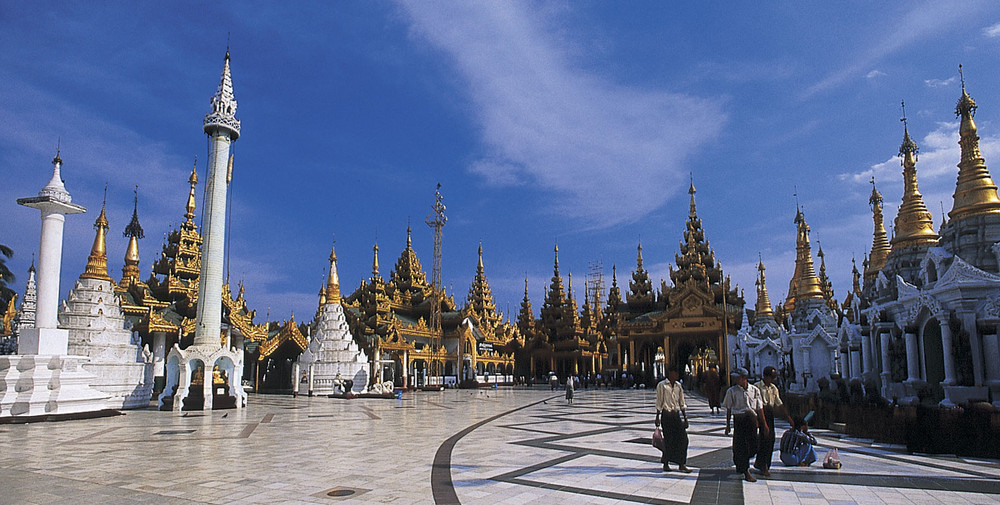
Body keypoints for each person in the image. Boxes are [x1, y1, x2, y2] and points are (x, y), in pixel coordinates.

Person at [723, 367, 768, 482]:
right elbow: (729, 408)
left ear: (744, 378)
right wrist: (727, 425)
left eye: (737, 378)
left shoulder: (754, 390)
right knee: (741, 445)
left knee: (753, 445)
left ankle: (741, 462)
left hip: (752, 420)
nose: (735, 380)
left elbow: (759, 408)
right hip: (739, 419)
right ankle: (745, 470)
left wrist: (764, 424)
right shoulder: (732, 391)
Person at [754, 366, 793, 478]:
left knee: (771, 439)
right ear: (766, 376)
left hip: (770, 413)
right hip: (760, 413)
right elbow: (756, 404)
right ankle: (763, 466)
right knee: (763, 439)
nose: (773, 380)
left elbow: (779, 403)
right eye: (771, 377)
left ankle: (765, 464)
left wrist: (788, 417)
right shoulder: (757, 387)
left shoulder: (773, 388)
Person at [655, 366, 692, 473]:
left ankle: (681, 463)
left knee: (683, 439)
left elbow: (682, 402)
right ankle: (666, 463)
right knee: (668, 440)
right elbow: (659, 401)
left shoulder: (678, 386)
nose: (676, 376)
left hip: (676, 415)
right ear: (670, 373)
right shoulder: (662, 385)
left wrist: (685, 418)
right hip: (666, 415)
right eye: (675, 373)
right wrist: (657, 416)